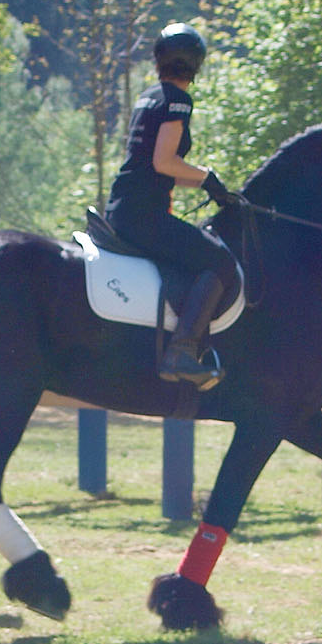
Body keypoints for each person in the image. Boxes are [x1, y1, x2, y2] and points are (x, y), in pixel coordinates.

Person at [105, 22, 243, 390]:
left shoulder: (150, 96)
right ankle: (182, 351)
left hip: (124, 206)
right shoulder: (179, 100)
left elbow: (159, 167)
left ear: (159, 60)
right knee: (219, 260)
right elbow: (164, 162)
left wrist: (212, 188)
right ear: (195, 65)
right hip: (143, 215)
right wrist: (207, 176)